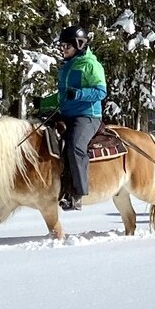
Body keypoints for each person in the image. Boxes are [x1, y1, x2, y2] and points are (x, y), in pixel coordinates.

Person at [43, 25, 106, 209]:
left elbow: (100, 92)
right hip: (67, 114)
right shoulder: (67, 67)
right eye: (62, 46)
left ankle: (78, 193)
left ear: (79, 44)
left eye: (66, 46)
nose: (63, 50)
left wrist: (79, 94)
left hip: (87, 116)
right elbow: (62, 96)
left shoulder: (91, 65)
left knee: (75, 146)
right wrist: (42, 103)